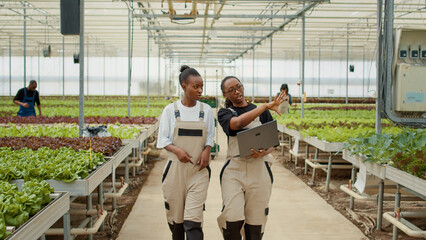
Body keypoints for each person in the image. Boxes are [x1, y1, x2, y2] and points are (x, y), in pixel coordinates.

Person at [217, 76, 287, 240]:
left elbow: (272, 141)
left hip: (259, 169)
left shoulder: (262, 113)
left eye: (238, 87)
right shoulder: (225, 113)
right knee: (232, 218)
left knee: (255, 223)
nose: (237, 91)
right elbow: (238, 124)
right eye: (231, 90)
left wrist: (264, 152)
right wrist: (265, 106)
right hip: (235, 170)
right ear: (225, 94)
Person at [157, 65, 215, 240]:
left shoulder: (206, 111)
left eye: (201, 86)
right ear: (184, 87)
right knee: (177, 222)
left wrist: (207, 151)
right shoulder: (170, 110)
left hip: (197, 171)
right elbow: (163, 139)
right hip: (175, 171)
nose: (200, 90)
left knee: (193, 221)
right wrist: (177, 151)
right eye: (195, 87)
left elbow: (210, 138)